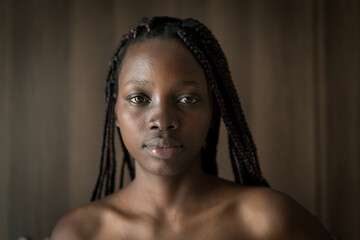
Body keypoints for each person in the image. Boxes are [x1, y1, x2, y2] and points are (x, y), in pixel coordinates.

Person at [51, 16, 332, 239]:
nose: (162, 119)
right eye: (139, 99)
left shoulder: (268, 221)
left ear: (213, 111)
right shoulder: (80, 232)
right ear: (115, 110)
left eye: (187, 98)